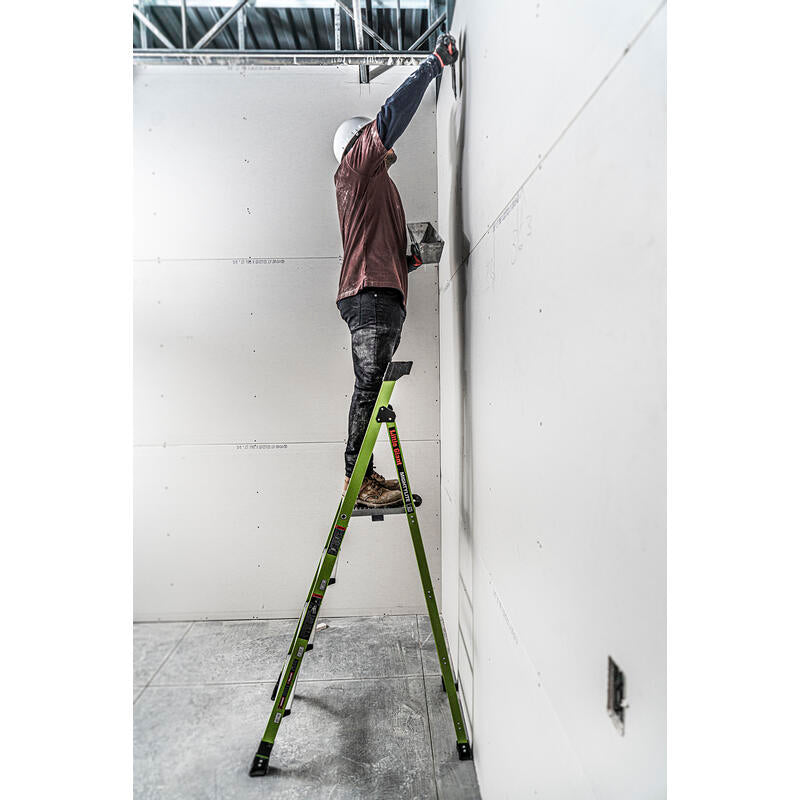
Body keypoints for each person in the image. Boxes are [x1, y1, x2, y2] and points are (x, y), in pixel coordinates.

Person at [333, 33, 459, 507]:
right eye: (372, 139)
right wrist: (432, 66)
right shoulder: (356, 169)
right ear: (358, 145)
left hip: (379, 293)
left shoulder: (377, 187)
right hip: (370, 296)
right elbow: (390, 118)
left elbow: (380, 249)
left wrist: (413, 258)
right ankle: (355, 480)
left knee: (371, 388)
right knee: (368, 388)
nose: (384, 146)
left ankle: (363, 473)